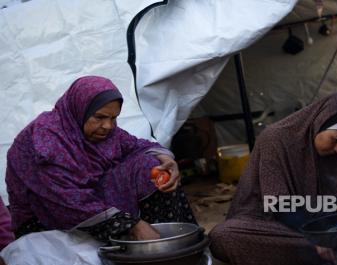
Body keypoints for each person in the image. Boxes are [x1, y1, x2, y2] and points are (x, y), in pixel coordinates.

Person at [6, 76, 196, 243]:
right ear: (79, 109)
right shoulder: (45, 142)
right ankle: (143, 243)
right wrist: (132, 225)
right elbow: (68, 203)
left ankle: (170, 242)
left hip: (93, 199)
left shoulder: (104, 132)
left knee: (153, 166)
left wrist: (167, 160)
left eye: (113, 118)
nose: (107, 126)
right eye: (99, 117)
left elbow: (137, 145)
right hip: (48, 218)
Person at [209, 93, 337, 265]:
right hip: (272, 225)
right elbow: (280, 205)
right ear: (319, 123)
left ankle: (322, 253)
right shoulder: (275, 139)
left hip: (321, 228)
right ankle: (330, 253)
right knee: (224, 236)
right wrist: (319, 236)